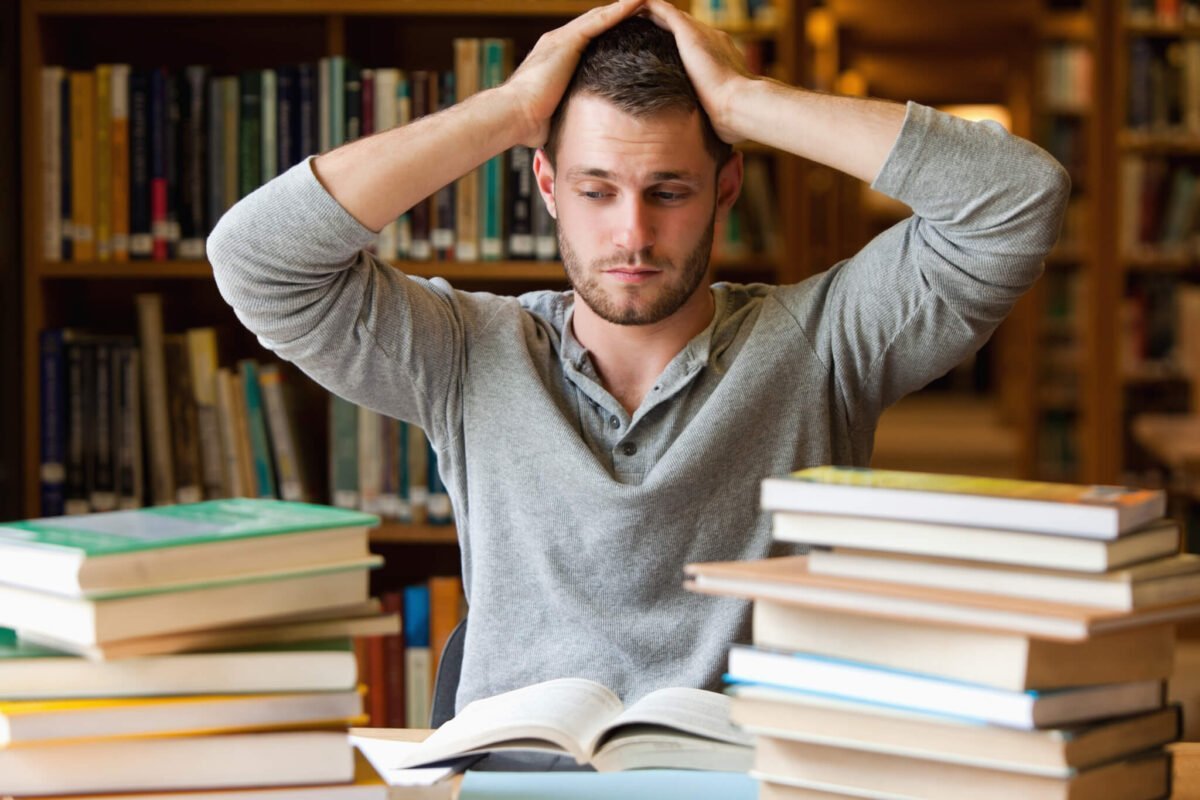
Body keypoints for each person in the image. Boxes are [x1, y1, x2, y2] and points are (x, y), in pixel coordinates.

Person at [208, 0, 1069, 717]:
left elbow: (1016, 202)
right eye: (595, 190)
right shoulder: (466, 353)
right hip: (523, 775)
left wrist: (743, 102)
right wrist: (507, 113)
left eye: (669, 190)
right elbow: (257, 258)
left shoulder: (825, 343)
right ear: (547, 186)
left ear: (725, 188)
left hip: (744, 780)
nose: (631, 234)